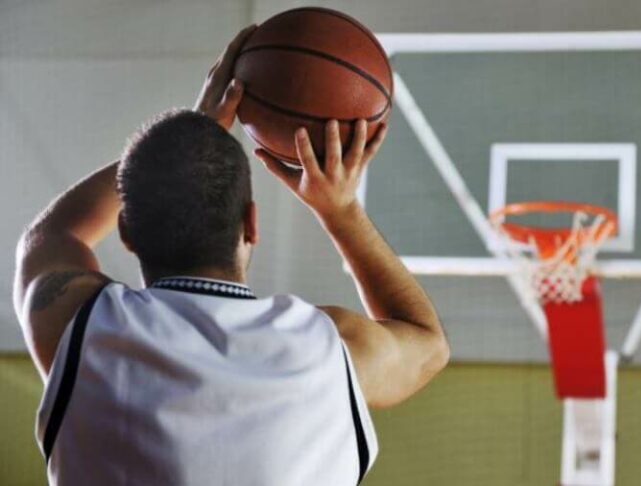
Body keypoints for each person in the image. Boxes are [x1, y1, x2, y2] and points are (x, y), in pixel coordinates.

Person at [13, 25, 449, 486]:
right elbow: (427, 345)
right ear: (252, 224)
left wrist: (191, 131)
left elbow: (52, 234)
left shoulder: (81, 326)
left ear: (126, 229)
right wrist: (340, 212)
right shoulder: (330, 350)